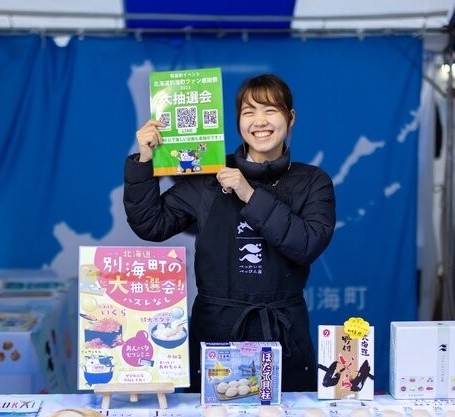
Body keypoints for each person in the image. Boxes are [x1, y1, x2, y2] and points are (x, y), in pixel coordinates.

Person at [123, 73, 336, 392]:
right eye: (249, 112)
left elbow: (307, 244)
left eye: (271, 110)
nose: (260, 121)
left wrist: (249, 194)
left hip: (282, 334)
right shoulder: (208, 175)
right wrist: (144, 160)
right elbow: (150, 224)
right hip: (216, 332)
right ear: (237, 121)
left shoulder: (312, 181)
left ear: (290, 118)